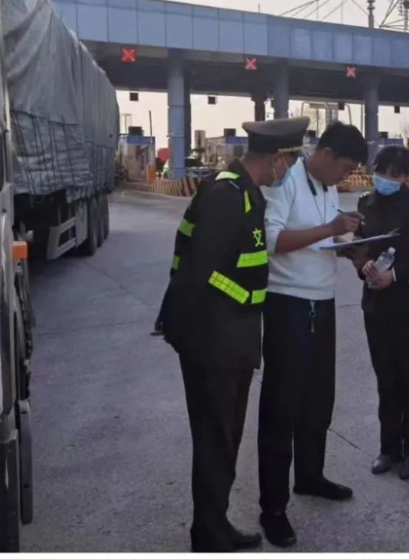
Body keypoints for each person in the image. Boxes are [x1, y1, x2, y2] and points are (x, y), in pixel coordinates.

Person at [159, 116, 310, 552]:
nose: (288, 171)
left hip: (229, 338)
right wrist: (236, 307)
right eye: (289, 163)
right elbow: (198, 272)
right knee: (216, 440)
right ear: (277, 158)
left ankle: (213, 524)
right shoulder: (227, 195)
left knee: (222, 440)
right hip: (215, 343)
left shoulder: (244, 192)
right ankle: (209, 533)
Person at [257, 121, 368, 548]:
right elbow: (272, 240)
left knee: (319, 399)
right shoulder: (285, 181)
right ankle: (273, 508)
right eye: (345, 167)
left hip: (322, 303)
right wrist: (330, 230)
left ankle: (310, 475)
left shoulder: (328, 187)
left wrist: (349, 245)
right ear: (325, 154)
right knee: (282, 406)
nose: (346, 176)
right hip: (287, 304)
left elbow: (324, 241)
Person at [355, 146, 409, 480]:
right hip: (375, 305)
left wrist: (396, 274)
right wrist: (363, 265)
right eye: (381, 172)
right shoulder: (365, 203)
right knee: (386, 380)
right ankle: (388, 448)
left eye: (394, 175)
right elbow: (359, 247)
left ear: (406, 176)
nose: (386, 180)